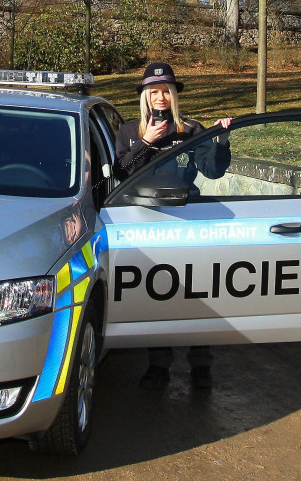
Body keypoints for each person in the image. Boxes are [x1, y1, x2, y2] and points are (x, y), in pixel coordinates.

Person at [113, 62, 233, 391]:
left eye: (166, 91)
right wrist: (145, 142)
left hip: (189, 222)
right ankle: (159, 365)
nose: (161, 97)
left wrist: (221, 140)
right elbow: (119, 174)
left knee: (197, 296)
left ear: (174, 95)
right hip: (146, 224)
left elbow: (213, 171)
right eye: (154, 91)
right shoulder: (129, 131)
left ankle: (201, 366)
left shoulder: (191, 130)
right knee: (157, 295)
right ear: (145, 96)